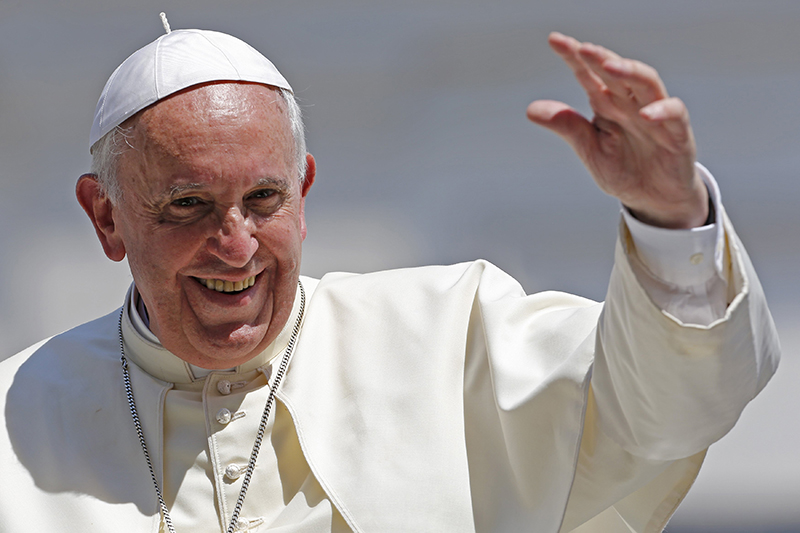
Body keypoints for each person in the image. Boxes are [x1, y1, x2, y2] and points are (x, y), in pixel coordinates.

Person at [0, 22, 779, 533]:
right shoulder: (13, 425)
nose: (234, 246)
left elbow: (675, 405)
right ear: (106, 217)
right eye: (189, 205)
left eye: (263, 199)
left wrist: (671, 217)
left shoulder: (454, 336)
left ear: (302, 195)